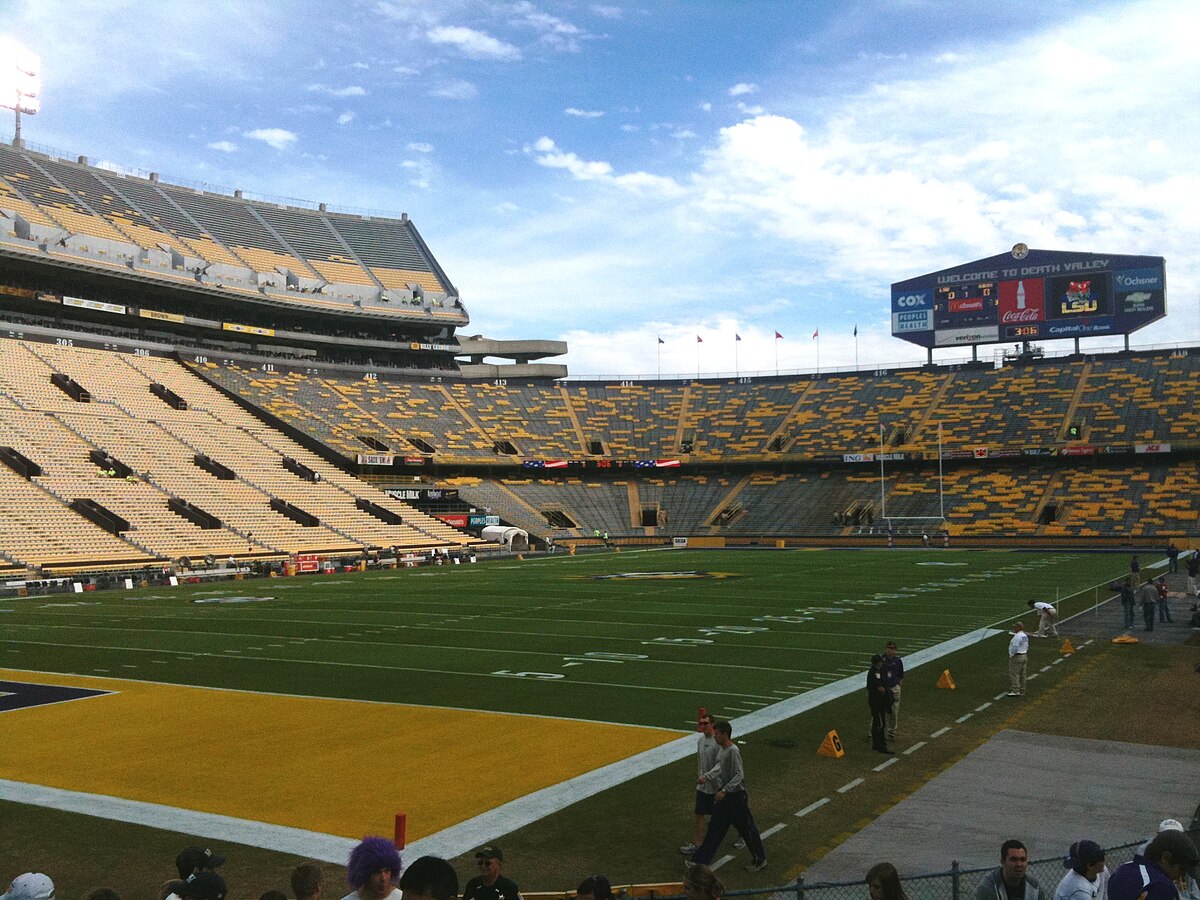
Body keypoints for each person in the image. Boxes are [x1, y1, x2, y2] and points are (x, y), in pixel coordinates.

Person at [689, 720, 767, 872]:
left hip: (736, 797)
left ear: (725, 734)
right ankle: (699, 860)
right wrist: (707, 777)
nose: (715, 737)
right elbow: (719, 768)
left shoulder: (733, 751)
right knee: (715, 829)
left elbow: (739, 775)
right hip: (725, 797)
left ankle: (760, 859)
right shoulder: (722, 750)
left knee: (747, 829)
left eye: (717, 734)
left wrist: (724, 790)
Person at [1107, 830, 1199, 900]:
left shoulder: (1123, 869)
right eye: (1182, 869)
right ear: (1165, 858)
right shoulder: (1161, 885)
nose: (1182, 876)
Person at [680, 714, 720, 855]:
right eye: (701, 723)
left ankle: (742, 835)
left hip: (717, 785)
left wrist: (708, 777)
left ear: (712, 724)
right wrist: (701, 776)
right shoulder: (700, 741)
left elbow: (721, 764)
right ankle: (698, 843)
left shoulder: (718, 742)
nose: (702, 726)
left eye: (705, 723)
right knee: (699, 813)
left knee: (727, 814)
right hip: (703, 785)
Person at [974, 840, 1048, 900]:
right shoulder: (988, 889)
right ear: (1003, 862)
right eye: (1013, 859)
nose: (1019, 864)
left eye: (1023, 860)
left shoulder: (1035, 887)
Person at [867, 654, 894, 754]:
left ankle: (875, 744)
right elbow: (880, 688)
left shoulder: (874, 671)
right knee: (880, 723)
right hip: (877, 701)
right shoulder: (875, 672)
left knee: (876, 722)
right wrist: (887, 692)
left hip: (874, 700)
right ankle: (881, 746)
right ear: (878, 662)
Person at [881, 641, 904, 744]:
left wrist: (899, 687)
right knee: (879, 711)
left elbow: (901, 675)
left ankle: (891, 733)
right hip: (884, 689)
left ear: (895, 649)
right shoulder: (882, 659)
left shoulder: (898, 661)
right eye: (888, 647)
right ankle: (875, 732)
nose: (890, 650)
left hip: (894, 688)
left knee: (894, 712)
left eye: (892, 648)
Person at [1008, 623, 1029, 697]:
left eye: (1015, 627)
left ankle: (1016, 690)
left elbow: (1015, 648)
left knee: (1014, 674)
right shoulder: (1024, 636)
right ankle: (1022, 690)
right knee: (1023, 674)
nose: (1014, 628)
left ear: (1019, 628)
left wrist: (1011, 655)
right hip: (1024, 655)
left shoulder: (1017, 637)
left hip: (1017, 657)